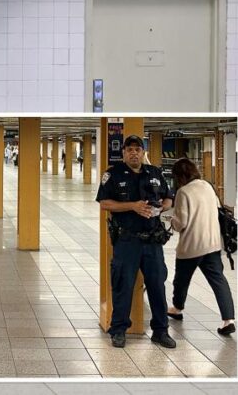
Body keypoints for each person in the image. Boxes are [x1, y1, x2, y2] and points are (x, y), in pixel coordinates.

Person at [96, 135, 176, 349]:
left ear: (143, 152)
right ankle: (119, 330)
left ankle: (160, 331)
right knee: (123, 285)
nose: (133, 153)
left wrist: (161, 207)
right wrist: (133, 206)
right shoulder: (112, 175)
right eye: (129, 149)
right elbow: (104, 203)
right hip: (126, 241)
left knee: (157, 286)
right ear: (123, 153)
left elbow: (169, 198)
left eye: (137, 149)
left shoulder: (155, 173)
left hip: (153, 242)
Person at [167, 158, 235, 335]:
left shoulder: (183, 192)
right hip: (212, 244)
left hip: (192, 246)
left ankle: (177, 308)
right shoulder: (207, 186)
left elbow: (181, 223)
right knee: (219, 281)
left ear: (179, 176)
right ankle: (228, 319)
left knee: (181, 280)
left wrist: (170, 219)